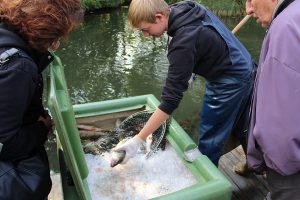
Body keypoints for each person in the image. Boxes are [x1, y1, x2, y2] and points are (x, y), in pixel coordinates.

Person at [112, 0, 256, 166]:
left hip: (229, 79)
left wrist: (138, 139)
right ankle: (254, 166)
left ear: (159, 17)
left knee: (210, 135)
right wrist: (191, 67)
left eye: (145, 29)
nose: (145, 35)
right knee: (244, 125)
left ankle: (208, 185)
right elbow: (202, 41)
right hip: (245, 64)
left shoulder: (182, 43)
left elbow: (169, 102)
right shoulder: (187, 7)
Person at [0, 0, 83, 199]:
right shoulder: (17, 67)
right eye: (58, 35)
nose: (58, 43)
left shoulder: (7, 35)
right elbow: (5, 142)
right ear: (44, 27)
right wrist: (41, 128)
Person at [245, 0, 300, 199]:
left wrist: (274, 163)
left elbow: (282, 123)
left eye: (251, 0)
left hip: (290, 168)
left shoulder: (285, 27)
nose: (248, 9)